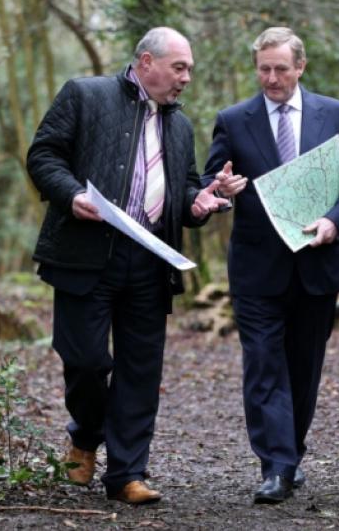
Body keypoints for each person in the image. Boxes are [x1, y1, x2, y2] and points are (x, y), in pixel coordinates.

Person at [27, 27, 228, 505]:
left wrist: (199, 202)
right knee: (86, 361)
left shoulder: (180, 126)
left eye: (190, 70)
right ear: (145, 62)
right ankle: (85, 435)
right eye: (179, 67)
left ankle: (127, 474)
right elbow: (43, 155)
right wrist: (71, 194)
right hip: (86, 255)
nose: (186, 79)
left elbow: (182, 191)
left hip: (151, 261)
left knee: (141, 369)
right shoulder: (85, 95)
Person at [203, 27, 339, 504]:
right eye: (264, 69)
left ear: (300, 67)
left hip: (316, 262)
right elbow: (211, 181)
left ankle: (290, 452)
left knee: (303, 366)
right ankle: (275, 465)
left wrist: (336, 222)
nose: (271, 78)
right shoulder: (234, 120)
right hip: (257, 266)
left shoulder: (335, 115)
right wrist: (221, 192)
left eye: (280, 68)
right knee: (263, 364)